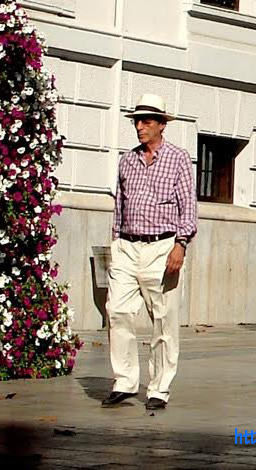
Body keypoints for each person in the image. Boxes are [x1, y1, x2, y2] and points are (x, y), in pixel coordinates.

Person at [102, 93, 197, 410]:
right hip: (127, 246)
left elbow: (188, 208)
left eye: (146, 121)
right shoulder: (126, 161)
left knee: (163, 320)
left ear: (161, 125)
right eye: (136, 121)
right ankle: (125, 381)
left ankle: (159, 388)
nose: (139, 127)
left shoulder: (179, 158)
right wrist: (116, 242)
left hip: (163, 246)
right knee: (117, 310)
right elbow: (119, 207)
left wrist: (180, 245)